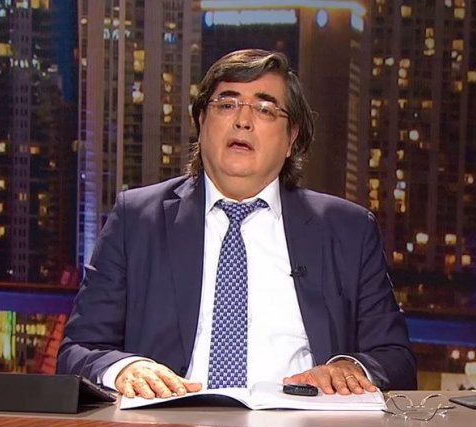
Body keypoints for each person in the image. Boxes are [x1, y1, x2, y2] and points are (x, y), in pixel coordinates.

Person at [58, 49, 415, 399]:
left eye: (265, 109)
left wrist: (348, 368)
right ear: (201, 121)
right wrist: (125, 368)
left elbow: (395, 358)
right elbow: (78, 350)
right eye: (226, 104)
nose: (243, 120)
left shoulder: (348, 230)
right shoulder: (136, 219)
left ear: (291, 138)